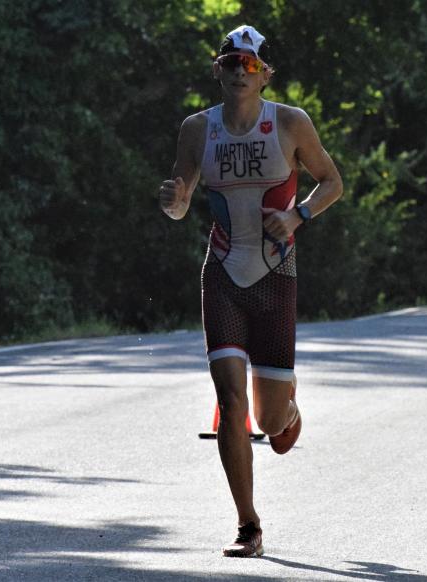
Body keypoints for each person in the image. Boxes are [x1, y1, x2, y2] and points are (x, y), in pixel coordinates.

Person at [157, 24, 343, 557]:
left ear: (265, 75)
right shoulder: (197, 130)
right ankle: (248, 526)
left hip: (275, 278)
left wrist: (298, 214)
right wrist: (172, 199)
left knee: (272, 426)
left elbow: (333, 182)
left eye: (250, 64)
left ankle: (288, 410)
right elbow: (180, 202)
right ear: (217, 70)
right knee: (229, 400)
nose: (241, 70)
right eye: (231, 63)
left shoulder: (289, 123)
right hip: (220, 275)